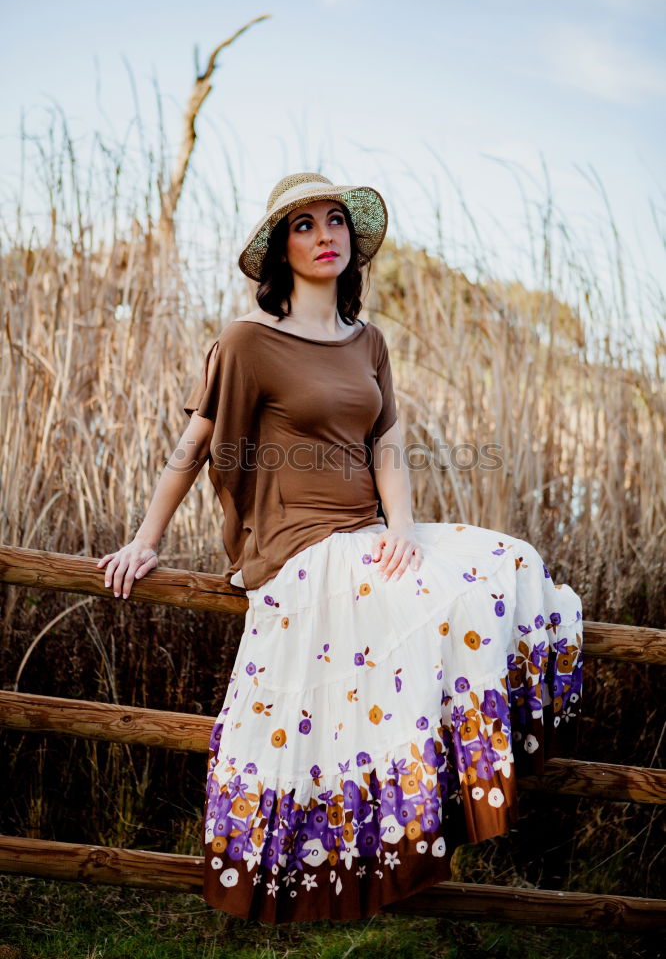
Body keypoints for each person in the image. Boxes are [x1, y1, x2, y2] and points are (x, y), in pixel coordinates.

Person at [96, 172, 584, 924]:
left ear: (352, 242)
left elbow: (387, 444)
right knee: (437, 605)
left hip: (370, 531)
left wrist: (400, 531)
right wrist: (142, 540)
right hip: (303, 546)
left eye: (336, 222)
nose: (325, 235)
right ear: (279, 250)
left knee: (510, 566)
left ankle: (445, 795)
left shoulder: (370, 341)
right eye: (304, 225)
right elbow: (194, 444)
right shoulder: (247, 342)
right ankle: (395, 826)